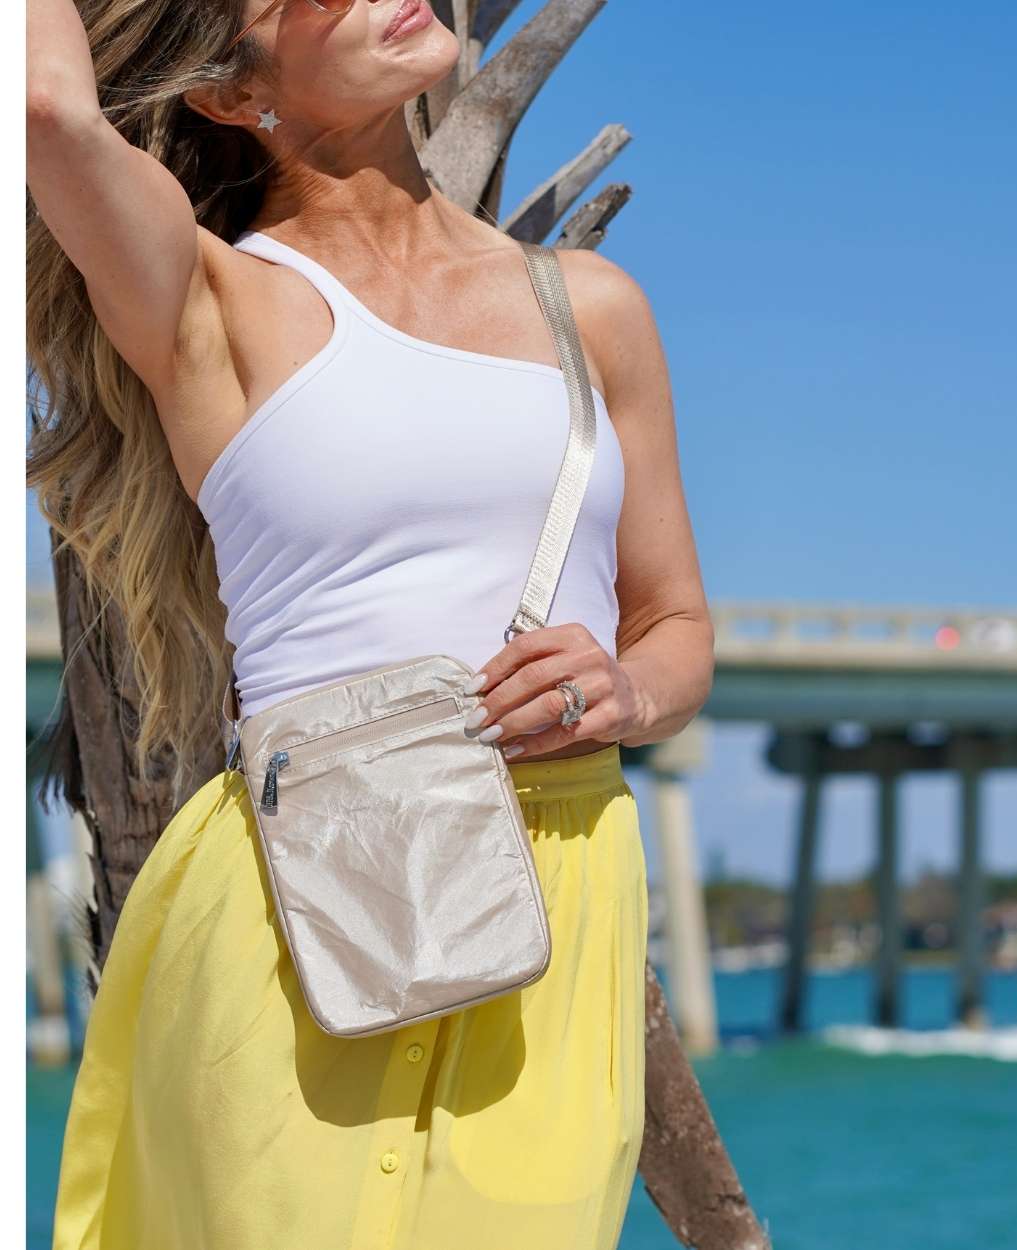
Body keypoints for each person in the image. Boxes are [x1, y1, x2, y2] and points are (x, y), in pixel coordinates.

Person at [26, 2, 715, 1247]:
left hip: (558, 903)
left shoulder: (593, 310)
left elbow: (674, 620)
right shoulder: (207, 302)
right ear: (236, 96)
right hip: (295, 907)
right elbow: (45, 107)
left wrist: (622, 690)